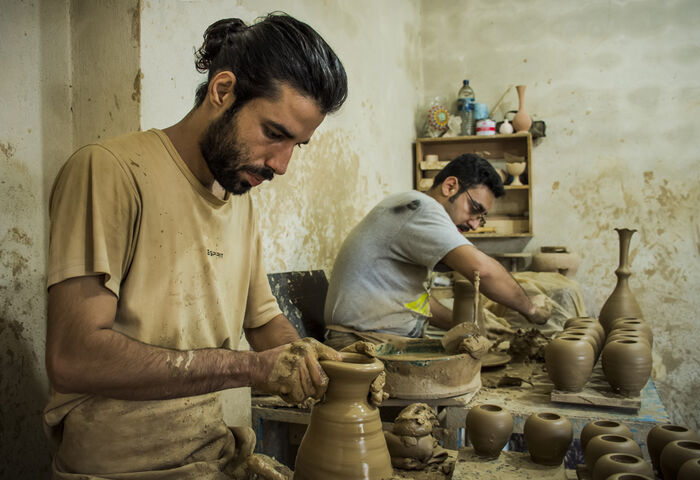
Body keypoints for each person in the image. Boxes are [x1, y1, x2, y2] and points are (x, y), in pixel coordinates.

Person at [44, 13, 347, 479]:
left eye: (297, 145)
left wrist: (300, 352)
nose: (282, 165)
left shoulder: (238, 198)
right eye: (274, 134)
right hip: (117, 468)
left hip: (211, 454)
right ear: (222, 91)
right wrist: (250, 368)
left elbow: (263, 319)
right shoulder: (110, 171)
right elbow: (73, 357)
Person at [323, 153, 550, 349]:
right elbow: (483, 271)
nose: (473, 224)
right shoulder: (421, 207)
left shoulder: (412, 210)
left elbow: (408, 300)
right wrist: (531, 309)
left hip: (376, 338)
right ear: (450, 186)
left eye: (480, 218)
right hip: (359, 344)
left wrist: (464, 324)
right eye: (474, 209)